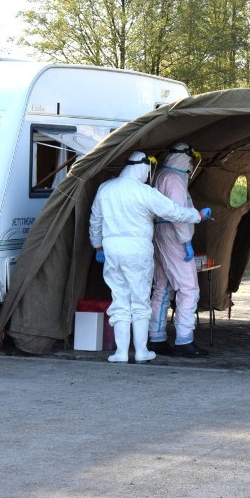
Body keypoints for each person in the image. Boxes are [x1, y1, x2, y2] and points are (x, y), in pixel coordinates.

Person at [89, 150, 212, 364]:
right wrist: (198, 216)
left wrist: (98, 247)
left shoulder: (105, 189)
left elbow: (95, 221)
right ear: (142, 168)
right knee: (139, 300)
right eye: (147, 170)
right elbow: (175, 211)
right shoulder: (144, 192)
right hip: (137, 250)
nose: (148, 175)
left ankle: (119, 353)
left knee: (119, 300)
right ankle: (141, 351)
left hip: (112, 249)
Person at [148, 142, 209, 357]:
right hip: (173, 235)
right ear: (186, 159)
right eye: (191, 160)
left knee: (162, 288)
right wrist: (187, 241)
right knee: (188, 288)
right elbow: (178, 214)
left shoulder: (161, 175)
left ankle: (156, 337)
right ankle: (184, 340)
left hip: (158, 234)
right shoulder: (174, 180)